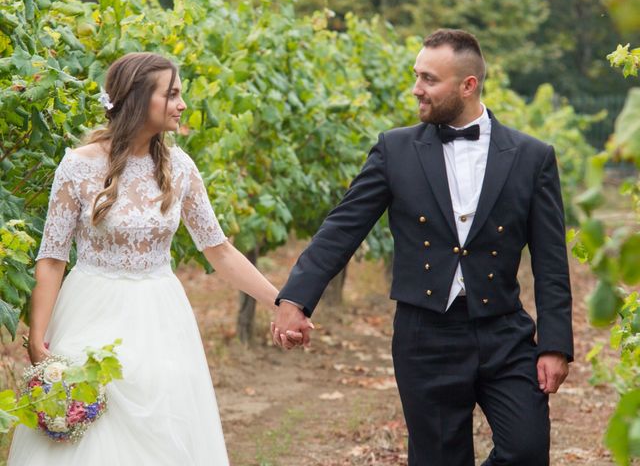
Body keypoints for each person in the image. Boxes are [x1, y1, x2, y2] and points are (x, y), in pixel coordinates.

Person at [272, 29, 573, 465]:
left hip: (504, 331)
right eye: (417, 76)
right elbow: (342, 228)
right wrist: (296, 298)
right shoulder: (395, 149)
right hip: (424, 335)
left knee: (526, 449)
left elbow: (550, 262)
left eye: (429, 79)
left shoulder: (531, 156)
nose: (417, 89)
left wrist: (555, 344)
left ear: (467, 85)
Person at [8, 52, 304, 465]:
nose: (182, 104)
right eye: (173, 94)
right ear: (137, 98)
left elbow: (219, 249)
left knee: (164, 429)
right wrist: (37, 341)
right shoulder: (77, 167)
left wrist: (280, 302)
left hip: (160, 316)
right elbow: (53, 256)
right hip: (89, 310)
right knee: (90, 434)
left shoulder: (180, 167)